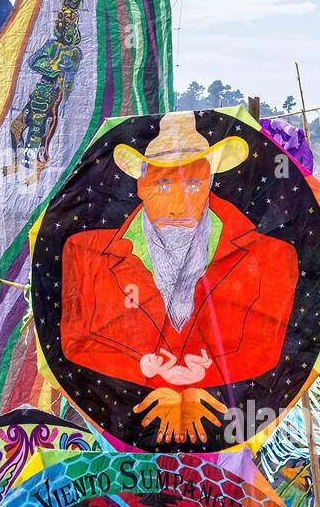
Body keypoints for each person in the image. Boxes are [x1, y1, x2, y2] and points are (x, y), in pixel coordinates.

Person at [60, 113, 298, 445]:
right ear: (141, 185)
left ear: (211, 181)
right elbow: (75, 341)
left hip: (231, 439)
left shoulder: (272, 257)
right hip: (111, 433)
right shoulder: (86, 254)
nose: (178, 204)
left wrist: (201, 378)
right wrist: (147, 369)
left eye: (191, 183)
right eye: (163, 183)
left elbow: (267, 349)